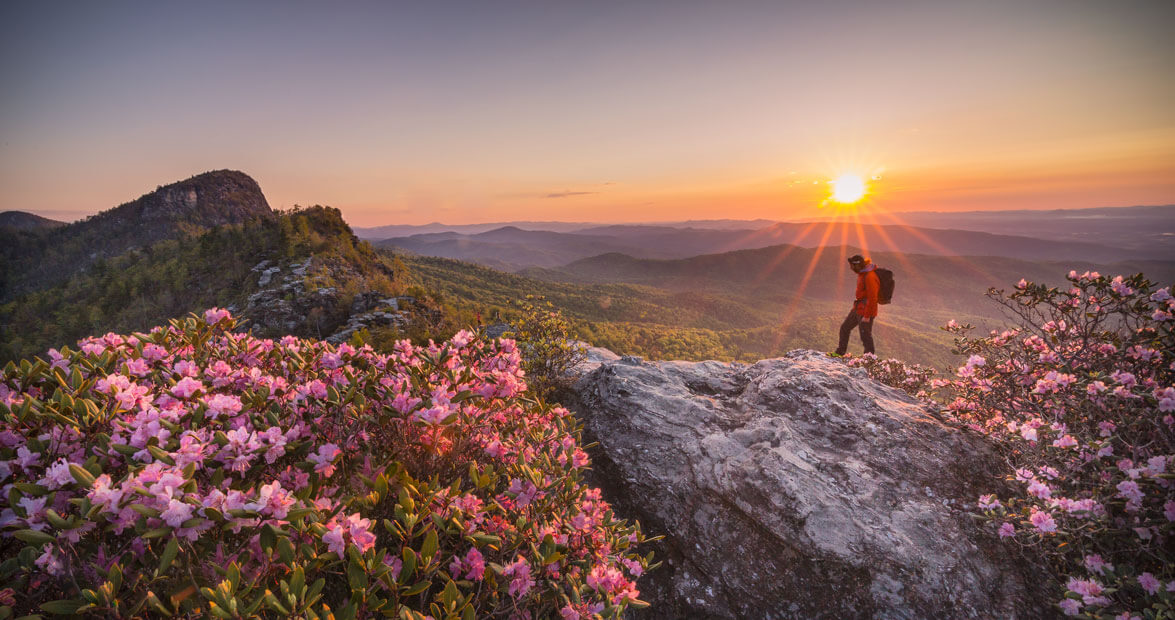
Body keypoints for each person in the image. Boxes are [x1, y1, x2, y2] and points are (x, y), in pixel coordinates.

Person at [835, 254, 879, 356]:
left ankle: (869, 359)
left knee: (865, 336)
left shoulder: (870, 276)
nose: (851, 268)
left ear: (857, 265)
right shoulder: (862, 274)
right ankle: (840, 352)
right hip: (858, 308)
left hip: (866, 310)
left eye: (852, 266)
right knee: (844, 328)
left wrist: (867, 316)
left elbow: (873, 298)